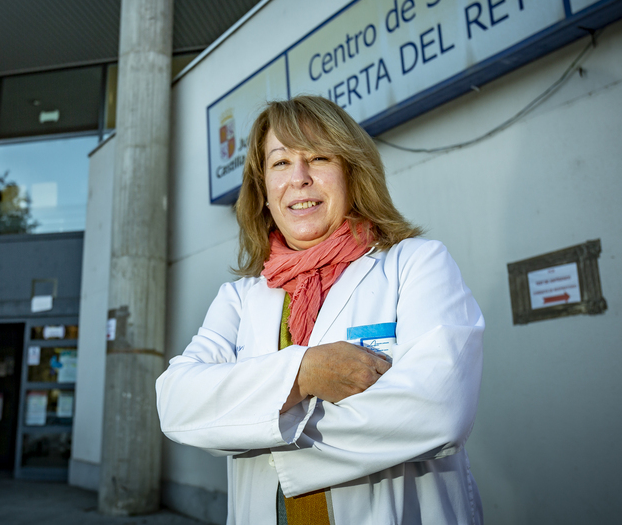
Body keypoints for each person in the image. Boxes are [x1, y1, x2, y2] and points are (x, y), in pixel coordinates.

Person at [156, 96, 484, 525]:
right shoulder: (239, 297)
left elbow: (438, 412)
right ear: (264, 192)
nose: (300, 178)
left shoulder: (417, 264)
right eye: (280, 163)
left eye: (319, 157)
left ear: (352, 172)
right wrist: (304, 373)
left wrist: (254, 420)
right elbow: (177, 405)